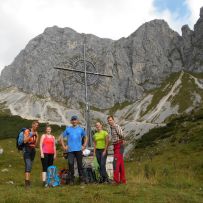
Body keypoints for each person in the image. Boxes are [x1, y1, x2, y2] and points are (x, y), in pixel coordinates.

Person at [61, 115, 88, 184]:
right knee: (70, 164)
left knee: (80, 164)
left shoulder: (80, 129)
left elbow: (86, 137)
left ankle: (81, 179)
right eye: (72, 120)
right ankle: (71, 179)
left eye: (75, 120)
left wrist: (84, 145)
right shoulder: (68, 129)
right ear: (71, 121)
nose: (74, 121)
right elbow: (61, 137)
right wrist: (64, 146)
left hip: (79, 149)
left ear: (77, 121)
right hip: (70, 150)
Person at [107, 116, 126, 184]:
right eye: (108, 120)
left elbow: (122, 134)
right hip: (116, 146)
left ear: (113, 120)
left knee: (115, 163)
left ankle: (116, 180)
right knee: (121, 164)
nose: (110, 121)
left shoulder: (116, 126)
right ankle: (123, 180)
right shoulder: (111, 128)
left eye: (111, 120)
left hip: (119, 145)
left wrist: (122, 140)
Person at [23, 120, 39, 188]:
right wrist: (31, 135)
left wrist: (37, 136)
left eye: (37, 125)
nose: (36, 126)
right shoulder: (27, 131)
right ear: (32, 125)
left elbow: (36, 144)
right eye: (35, 125)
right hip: (27, 150)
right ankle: (27, 183)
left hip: (33, 150)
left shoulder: (36, 132)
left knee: (30, 166)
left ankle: (28, 181)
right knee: (28, 165)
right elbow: (25, 141)